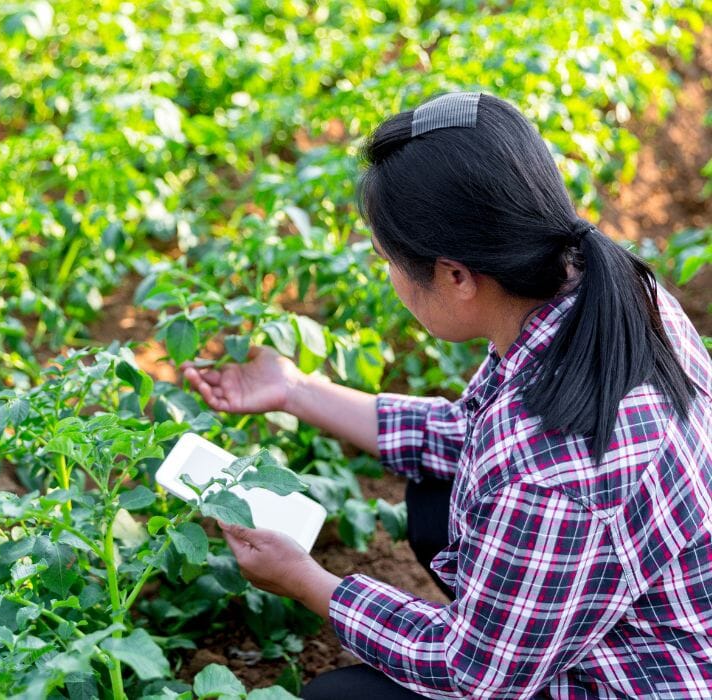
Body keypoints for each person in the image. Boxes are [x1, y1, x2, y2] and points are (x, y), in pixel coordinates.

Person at [181, 93, 712, 698]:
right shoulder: (602, 288)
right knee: (437, 503)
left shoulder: (551, 471)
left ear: (457, 276)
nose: (389, 275)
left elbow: (468, 673)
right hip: (666, 606)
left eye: (389, 260)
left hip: (649, 678)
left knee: (340, 697)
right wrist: (296, 390)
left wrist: (306, 581)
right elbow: (473, 435)